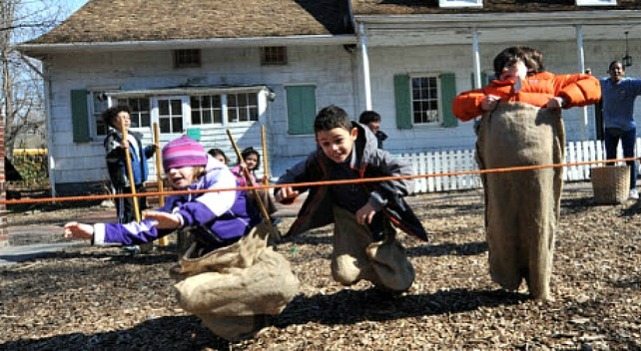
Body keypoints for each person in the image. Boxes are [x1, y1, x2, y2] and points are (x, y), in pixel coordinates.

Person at [64, 135, 299, 341]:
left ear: (197, 164)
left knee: (282, 285)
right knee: (189, 295)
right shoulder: (179, 198)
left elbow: (212, 204)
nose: (173, 171)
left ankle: (263, 308)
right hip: (213, 260)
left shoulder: (223, 178)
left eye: (181, 166)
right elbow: (144, 229)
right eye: (169, 168)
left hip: (250, 251)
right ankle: (248, 328)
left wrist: (179, 220)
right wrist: (95, 231)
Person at [453, 46, 601, 300]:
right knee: (502, 217)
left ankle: (539, 283)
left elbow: (592, 85)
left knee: (539, 217)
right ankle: (508, 275)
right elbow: (459, 105)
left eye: (513, 64)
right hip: (501, 169)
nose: (506, 70)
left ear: (531, 65)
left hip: (538, 166)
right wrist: (480, 102)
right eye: (503, 67)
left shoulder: (550, 82)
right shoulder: (492, 90)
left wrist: (564, 99)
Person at [275, 105, 428, 294]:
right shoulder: (319, 159)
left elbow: (405, 173)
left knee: (399, 283)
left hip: (376, 220)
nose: (333, 148)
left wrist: (375, 201)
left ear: (353, 134)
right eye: (325, 143)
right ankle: (376, 272)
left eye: (339, 140)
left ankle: (390, 268)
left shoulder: (371, 155)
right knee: (343, 274)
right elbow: (291, 176)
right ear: (318, 142)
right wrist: (285, 190)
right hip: (346, 218)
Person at [599, 60, 641, 200]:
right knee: (610, 158)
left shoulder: (630, 84)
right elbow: (589, 84)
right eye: (613, 69)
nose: (616, 71)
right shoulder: (604, 83)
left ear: (623, 71)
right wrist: (587, 75)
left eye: (619, 69)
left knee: (629, 158)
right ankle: (610, 188)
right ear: (609, 72)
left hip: (627, 127)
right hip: (610, 127)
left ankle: (632, 188)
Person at [102, 106, 156, 224]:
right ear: (113, 121)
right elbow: (111, 158)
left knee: (141, 210)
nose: (126, 120)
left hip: (139, 181)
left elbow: (138, 157)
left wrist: (149, 150)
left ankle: (139, 235)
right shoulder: (113, 139)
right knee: (127, 211)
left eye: (128, 118)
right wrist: (120, 149)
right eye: (122, 118)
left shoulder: (133, 137)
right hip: (125, 182)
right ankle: (124, 235)